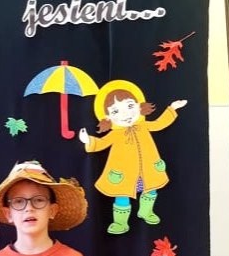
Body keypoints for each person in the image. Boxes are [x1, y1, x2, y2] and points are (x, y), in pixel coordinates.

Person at [78, 79, 187, 234]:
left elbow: (160, 123)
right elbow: (101, 143)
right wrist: (88, 140)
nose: (126, 114)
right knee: (122, 196)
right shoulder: (115, 133)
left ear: (139, 106)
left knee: (151, 189)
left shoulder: (143, 126)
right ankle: (120, 223)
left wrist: (172, 108)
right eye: (116, 111)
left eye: (130, 106)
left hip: (147, 169)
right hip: (124, 174)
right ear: (107, 117)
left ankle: (146, 211)